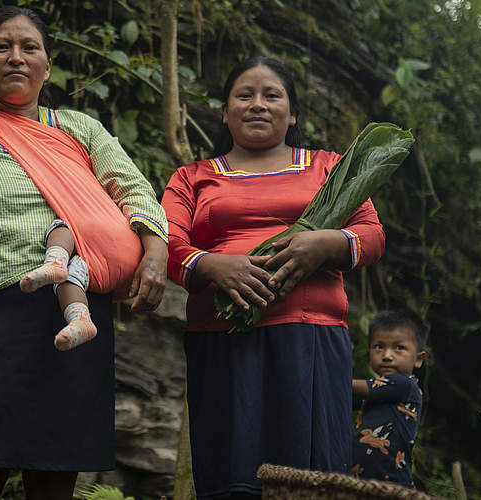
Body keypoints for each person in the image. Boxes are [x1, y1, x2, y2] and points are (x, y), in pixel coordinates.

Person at [0, 6, 169, 498]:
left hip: (72, 317)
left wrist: (155, 251)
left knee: (54, 480)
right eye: (1, 47)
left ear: (47, 63)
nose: (15, 57)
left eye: (29, 48)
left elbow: (133, 188)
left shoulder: (79, 130)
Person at [161, 56, 385, 499]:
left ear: (293, 112)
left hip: (312, 338)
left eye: (272, 95)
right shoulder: (193, 177)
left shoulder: (328, 168)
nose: (257, 105)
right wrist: (210, 264)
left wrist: (325, 243)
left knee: (310, 477)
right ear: (225, 112)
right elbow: (166, 240)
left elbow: (372, 235)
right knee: (232, 475)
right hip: (223, 339)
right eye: (244, 95)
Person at [350, 309, 428, 487]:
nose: (386, 356)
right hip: (360, 482)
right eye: (379, 346)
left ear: (418, 359)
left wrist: (326, 379)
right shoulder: (376, 393)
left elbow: (345, 388)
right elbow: (339, 400)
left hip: (392, 484)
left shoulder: (405, 385)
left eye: (399, 348)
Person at [19, 219, 98, 350]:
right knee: (71, 278)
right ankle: (81, 319)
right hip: (103, 261)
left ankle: (55, 262)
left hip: (92, 231)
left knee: (59, 226)